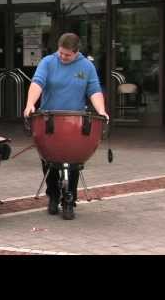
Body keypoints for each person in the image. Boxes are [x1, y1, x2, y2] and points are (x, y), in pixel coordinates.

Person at [24, 33, 108, 220]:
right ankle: (53, 195)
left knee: (73, 161)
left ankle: (69, 200)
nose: (62, 57)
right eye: (61, 53)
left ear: (77, 52)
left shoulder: (86, 66)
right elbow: (37, 83)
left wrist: (101, 110)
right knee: (50, 160)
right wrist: (30, 104)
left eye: (67, 55)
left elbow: (94, 90)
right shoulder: (47, 62)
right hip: (50, 119)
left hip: (75, 120)